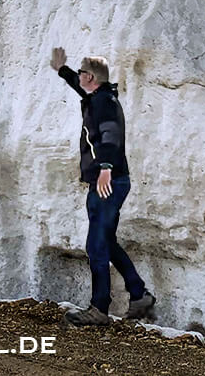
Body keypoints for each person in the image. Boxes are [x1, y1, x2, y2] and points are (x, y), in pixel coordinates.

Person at [49, 47, 155, 326]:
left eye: (82, 71)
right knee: (106, 241)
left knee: (96, 246)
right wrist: (63, 70)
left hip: (109, 181)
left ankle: (99, 309)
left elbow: (111, 135)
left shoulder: (104, 103)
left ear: (92, 77)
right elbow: (79, 86)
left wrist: (106, 168)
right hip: (107, 181)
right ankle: (138, 294)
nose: (80, 75)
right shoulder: (98, 96)